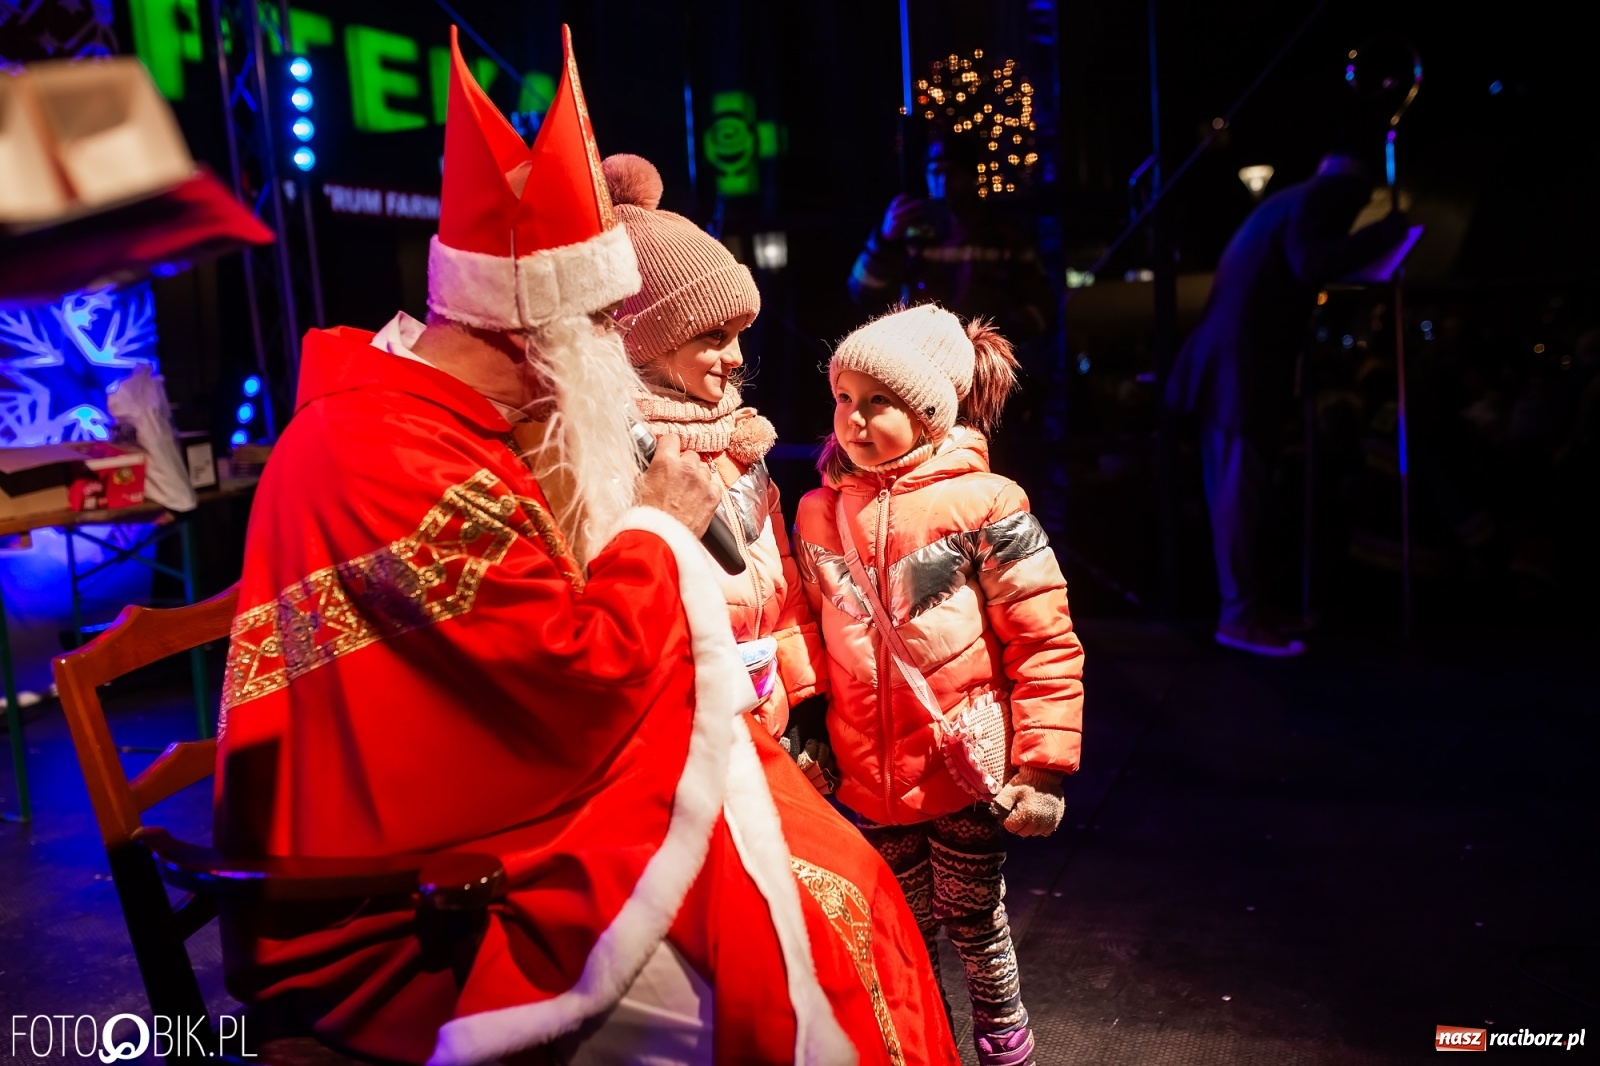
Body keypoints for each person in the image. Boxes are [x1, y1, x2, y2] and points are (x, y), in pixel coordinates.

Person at [214, 27, 958, 1066]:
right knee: (791, 940)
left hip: (466, 797)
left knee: (829, 871)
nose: (613, 357)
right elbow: (574, 669)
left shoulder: (426, 417)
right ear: (537, 335)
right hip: (398, 902)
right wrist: (654, 519)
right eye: (598, 333)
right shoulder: (395, 456)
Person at [793, 305, 1086, 1066]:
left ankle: (1004, 1038)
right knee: (899, 925)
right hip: (864, 776)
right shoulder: (819, 513)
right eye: (845, 398)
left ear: (929, 413)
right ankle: (929, 1049)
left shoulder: (987, 503)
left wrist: (1043, 765)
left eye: (879, 401)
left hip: (963, 767)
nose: (854, 420)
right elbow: (805, 629)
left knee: (971, 914)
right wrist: (806, 731)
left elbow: (1044, 637)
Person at [602, 152, 826, 747]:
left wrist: (801, 701)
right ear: (645, 339)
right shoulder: (609, 459)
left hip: (765, 720)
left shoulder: (741, 441)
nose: (734, 358)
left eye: (738, 337)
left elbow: (784, 592)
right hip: (684, 731)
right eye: (712, 337)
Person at [1165, 153, 1411, 656]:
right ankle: (1238, 616)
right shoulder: (1322, 198)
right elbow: (1312, 262)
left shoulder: (1290, 200)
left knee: (1239, 490)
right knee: (1238, 493)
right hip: (1240, 368)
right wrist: (1387, 234)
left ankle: (1246, 609)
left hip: (1232, 364)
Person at [848, 139, 1054, 349]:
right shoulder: (911, 229)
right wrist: (886, 238)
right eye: (936, 172)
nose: (944, 181)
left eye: (953, 172)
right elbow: (862, 292)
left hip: (983, 360)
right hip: (923, 357)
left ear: (971, 175)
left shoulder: (1003, 234)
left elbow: (1042, 304)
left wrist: (996, 339)